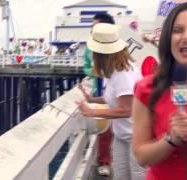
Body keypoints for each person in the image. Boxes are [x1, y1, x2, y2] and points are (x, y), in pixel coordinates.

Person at [132, 2, 187, 180]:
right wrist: (170, 140)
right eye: (178, 30)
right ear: (167, 38)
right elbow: (141, 156)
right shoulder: (147, 89)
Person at [76, 23, 146, 180]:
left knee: (137, 175)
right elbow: (115, 98)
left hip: (138, 136)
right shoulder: (113, 71)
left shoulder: (123, 73)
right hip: (123, 135)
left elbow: (127, 109)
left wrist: (92, 112)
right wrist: (91, 99)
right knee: (121, 175)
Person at [79, 13, 115, 177]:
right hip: (99, 90)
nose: (92, 29)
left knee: (117, 127)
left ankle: (108, 160)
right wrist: (94, 72)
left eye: (95, 26)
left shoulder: (116, 46)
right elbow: (85, 67)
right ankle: (104, 161)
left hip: (116, 90)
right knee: (103, 128)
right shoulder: (89, 47)